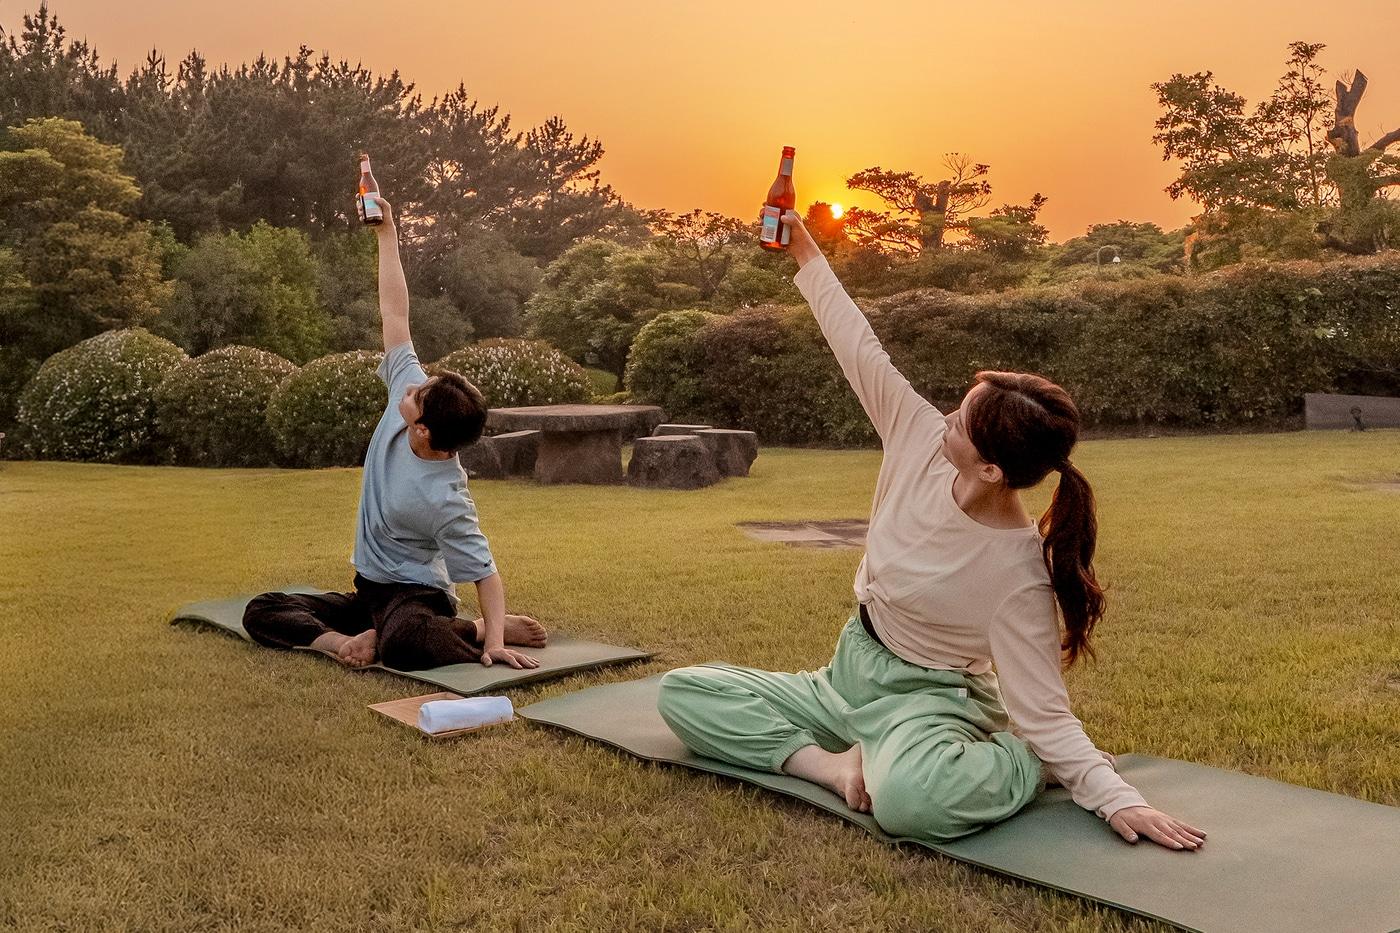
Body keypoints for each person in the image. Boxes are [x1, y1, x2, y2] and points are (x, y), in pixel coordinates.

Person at [657, 210, 1205, 850]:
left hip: (929, 700)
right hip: (846, 676)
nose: (942, 415)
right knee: (684, 693)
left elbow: (1047, 712)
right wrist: (801, 243)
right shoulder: (917, 435)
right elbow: (855, 341)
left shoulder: (1017, 579)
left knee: (912, 804)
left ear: (991, 468)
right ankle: (833, 766)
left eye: (960, 419)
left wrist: (1114, 798)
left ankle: (1024, 765)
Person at [243, 195, 543, 672]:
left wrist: (492, 644)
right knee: (262, 609)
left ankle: (474, 629)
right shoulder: (405, 397)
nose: (409, 388)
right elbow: (394, 313)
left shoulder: (447, 500)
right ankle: (340, 642)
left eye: (416, 396)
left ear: (422, 429)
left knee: (408, 643)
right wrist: (388, 234)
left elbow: (485, 574)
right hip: (369, 590)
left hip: (418, 597)